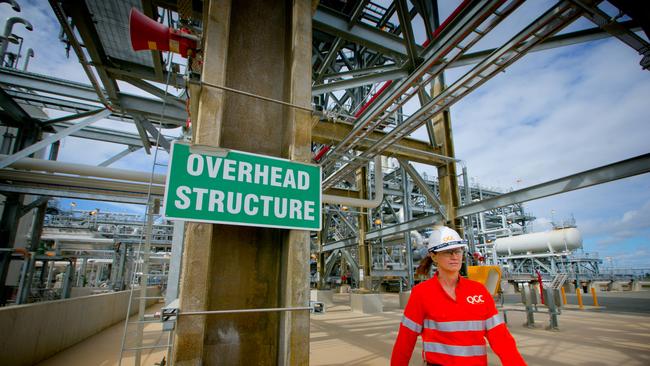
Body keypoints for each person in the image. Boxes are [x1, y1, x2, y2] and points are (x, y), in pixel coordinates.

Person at [391, 226, 526, 366]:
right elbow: (405, 342)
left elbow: (501, 339)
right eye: (448, 252)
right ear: (433, 256)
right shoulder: (421, 293)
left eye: (458, 250)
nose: (455, 256)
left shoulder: (478, 291)